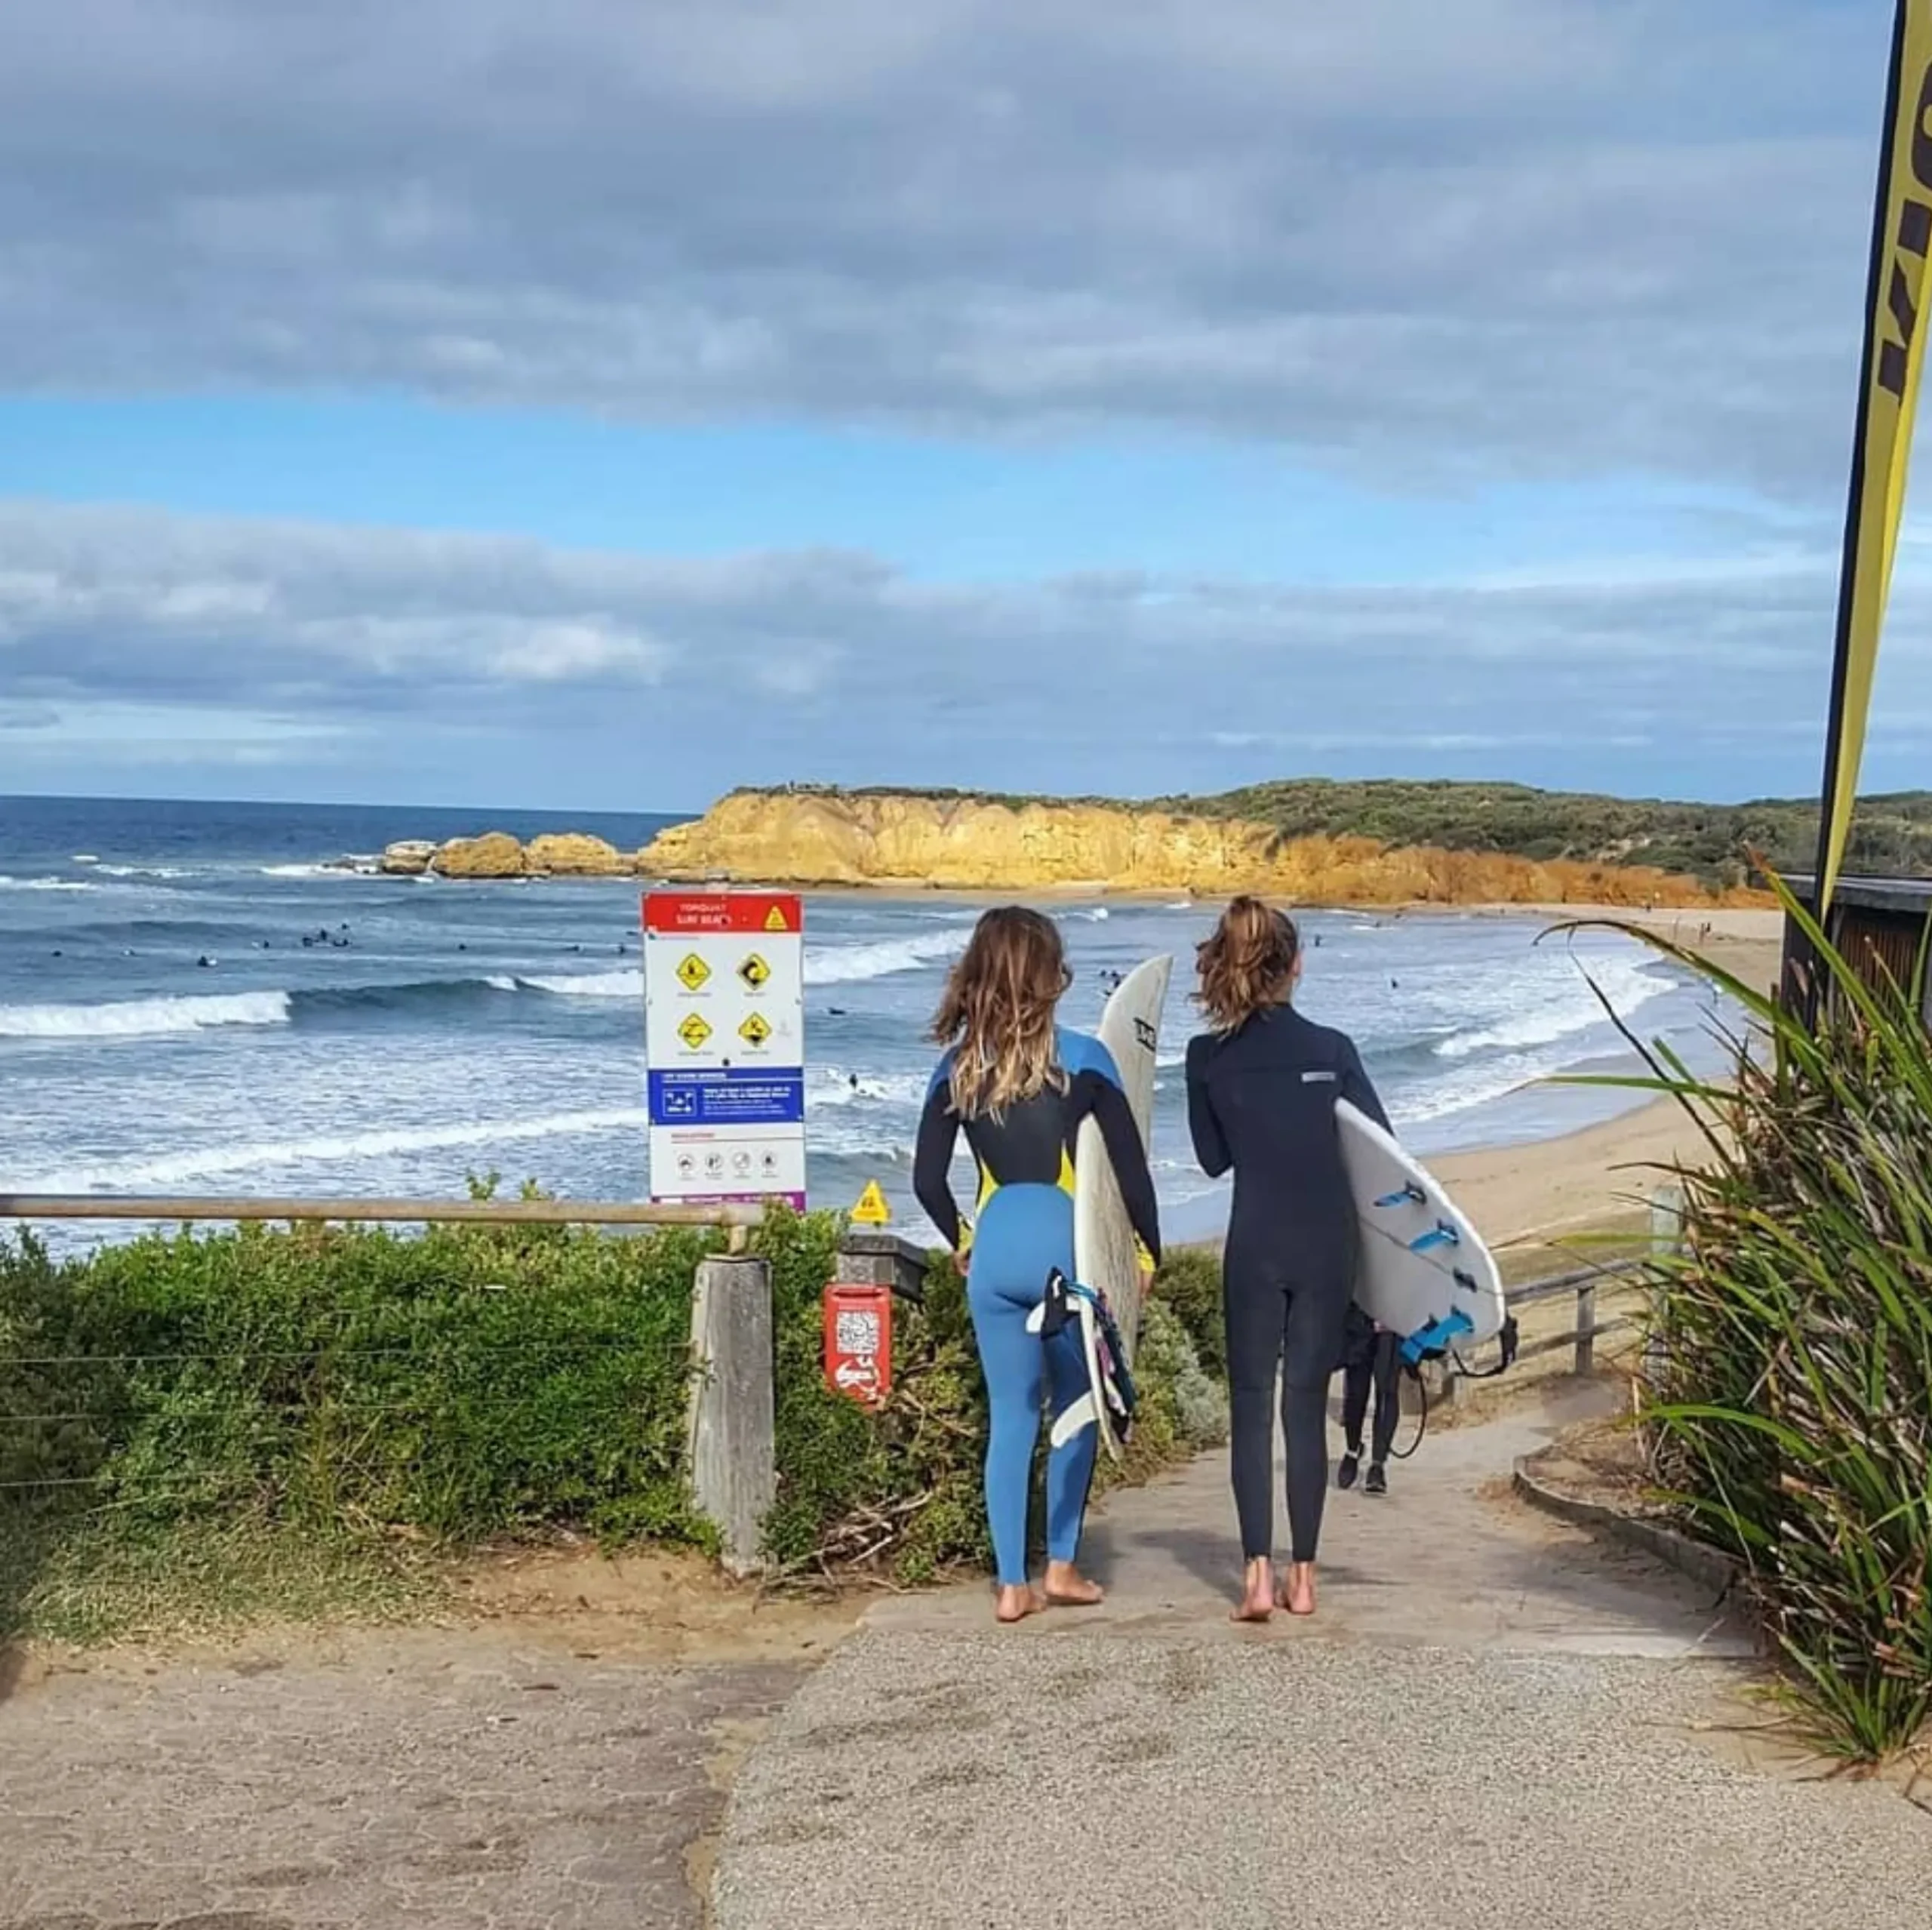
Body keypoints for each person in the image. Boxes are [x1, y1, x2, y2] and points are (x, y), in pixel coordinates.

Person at [913, 907, 1162, 1625]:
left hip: (994, 1255)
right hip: (1065, 1255)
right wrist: (1146, 1252)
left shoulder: (955, 1069)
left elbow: (928, 1181)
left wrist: (962, 1238)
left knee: (1011, 1417)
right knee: (1076, 1408)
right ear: (1052, 975)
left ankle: (1010, 1586)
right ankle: (1060, 1565)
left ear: (978, 974)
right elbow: (1131, 1173)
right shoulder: (1085, 1059)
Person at [1184, 897, 1391, 1622]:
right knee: (1304, 1408)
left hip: (1255, 1243)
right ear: (1296, 965)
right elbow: (1381, 1155)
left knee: (1250, 1408)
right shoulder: (1334, 1050)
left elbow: (1212, 1161)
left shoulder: (1206, 1057)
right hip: (1324, 1244)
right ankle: (1304, 1580)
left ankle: (1253, 1579)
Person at [1338, 1305, 1400, 1495]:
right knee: (1356, 1393)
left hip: (1393, 1321)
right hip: (1359, 1317)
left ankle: (1378, 1464)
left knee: (1387, 1389)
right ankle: (1352, 1449)